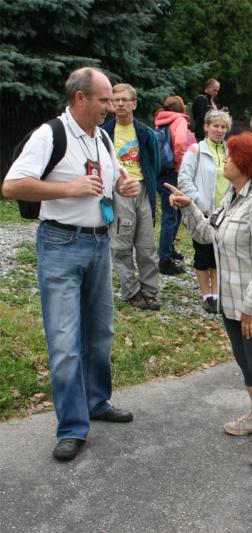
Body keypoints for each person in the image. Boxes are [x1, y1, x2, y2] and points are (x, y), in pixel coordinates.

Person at [2, 67, 140, 462]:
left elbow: (110, 178)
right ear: (80, 98)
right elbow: (11, 186)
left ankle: (96, 402)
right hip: (60, 244)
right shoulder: (51, 134)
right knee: (65, 343)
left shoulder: (102, 137)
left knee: (100, 334)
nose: (111, 106)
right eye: (104, 99)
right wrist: (68, 188)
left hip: (99, 244)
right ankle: (72, 428)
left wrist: (123, 184)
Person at [164, 132, 252, 467]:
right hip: (232, 301)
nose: (226, 160)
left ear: (246, 164)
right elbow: (210, 235)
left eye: (232, 156)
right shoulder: (233, 197)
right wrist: (189, 206)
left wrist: (250, 308)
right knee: (244, 361)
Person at [101, 83, 161, 311]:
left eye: (125, 100)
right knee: (121, 244)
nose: (120, 104)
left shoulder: (146, 133)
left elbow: (154, 164)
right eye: (115, 100)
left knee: (146, 245)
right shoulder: (103, 133)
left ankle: (150, 291)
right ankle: (131, 291)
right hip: (118, 192)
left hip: (142, 189)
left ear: (134, 103)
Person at [177, 109, 231, 313]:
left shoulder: (230, 151)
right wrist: (198, 201)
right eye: (215, 126)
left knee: (219, 254)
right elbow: (184, 179)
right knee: (202, 253)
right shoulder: (195, 150)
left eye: (223, 127)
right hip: (202, 212)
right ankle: (206, 293)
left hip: (225, 212)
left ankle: (216, 294)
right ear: (206, 127)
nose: (220, 130)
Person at [154, 95, 195, 275]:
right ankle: (164, 259)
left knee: (174, 212)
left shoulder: (161, 121)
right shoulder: (180, 121)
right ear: (182, 108)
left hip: (161, 170)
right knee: (171, 214)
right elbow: (179, 142)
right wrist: (179, 165)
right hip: (173, 171)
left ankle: (168, 249)